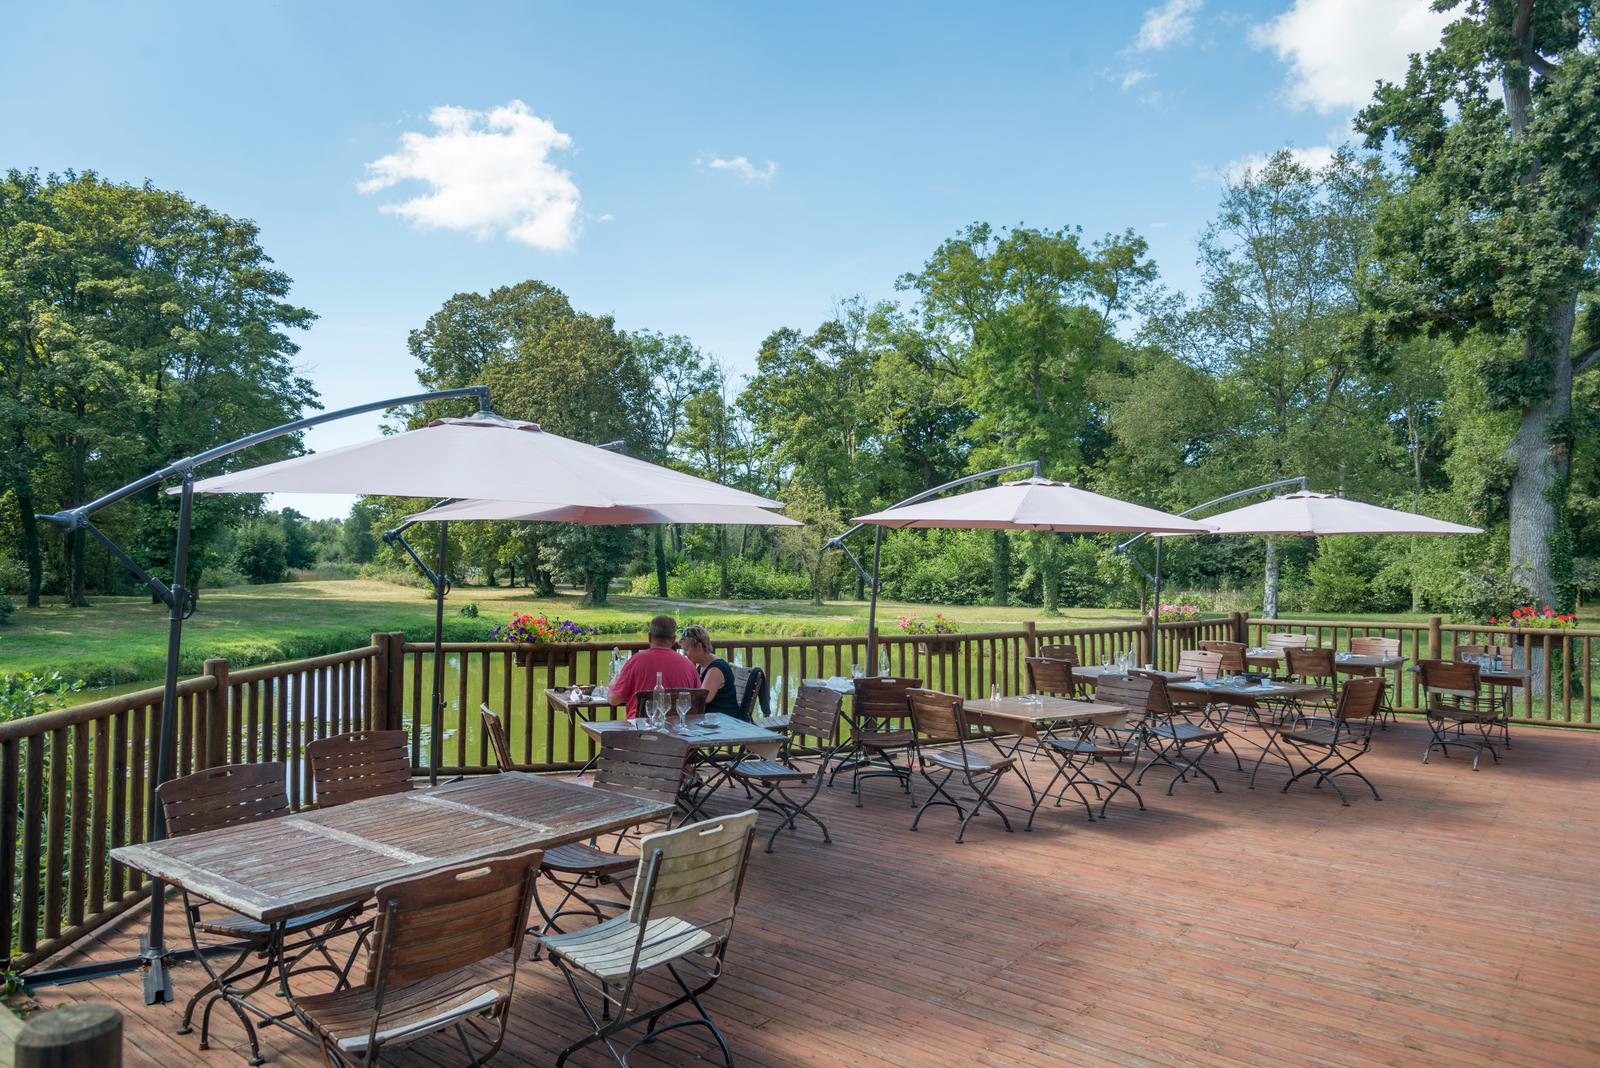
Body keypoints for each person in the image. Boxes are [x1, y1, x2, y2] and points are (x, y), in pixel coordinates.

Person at [608, 615, 701, 719]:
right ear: (673, 639)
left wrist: (613, 684)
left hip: (641, 731)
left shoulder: (635, 661)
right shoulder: (688, 665)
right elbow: (698, 700)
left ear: (649, 637)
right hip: (678, 732)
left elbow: (613, 699)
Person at [679, 624, 743, 719]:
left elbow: (703, 699)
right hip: (711, 720)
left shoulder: (715, 669)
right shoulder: (702, 666)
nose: (685, 654)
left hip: (724, 721)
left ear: (699, 647)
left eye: (686, 650)